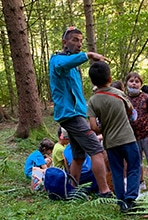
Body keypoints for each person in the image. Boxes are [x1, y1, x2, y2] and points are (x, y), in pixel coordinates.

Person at [49, 26, 112, 197]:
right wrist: (88, 55)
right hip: (70, 115)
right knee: (97, 150)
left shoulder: (74, 64)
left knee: (78, 155)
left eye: (81, 41)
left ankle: (72, 189)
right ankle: (104, 191)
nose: (79, 44)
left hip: (77, 114)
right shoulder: (57, 60)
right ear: (64, 42)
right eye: (75, 40)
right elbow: (63, 64)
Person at [87, 61, 141, 212]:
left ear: (92, 81)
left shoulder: (92, 101)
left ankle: (121, 201)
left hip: (110, 143)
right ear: (110, 78)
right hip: (128, 139)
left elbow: (93, 127)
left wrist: (103, 127)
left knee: (116, 171)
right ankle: (131, 198)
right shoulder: (119, 94)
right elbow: (130, 112)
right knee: (134, 167)